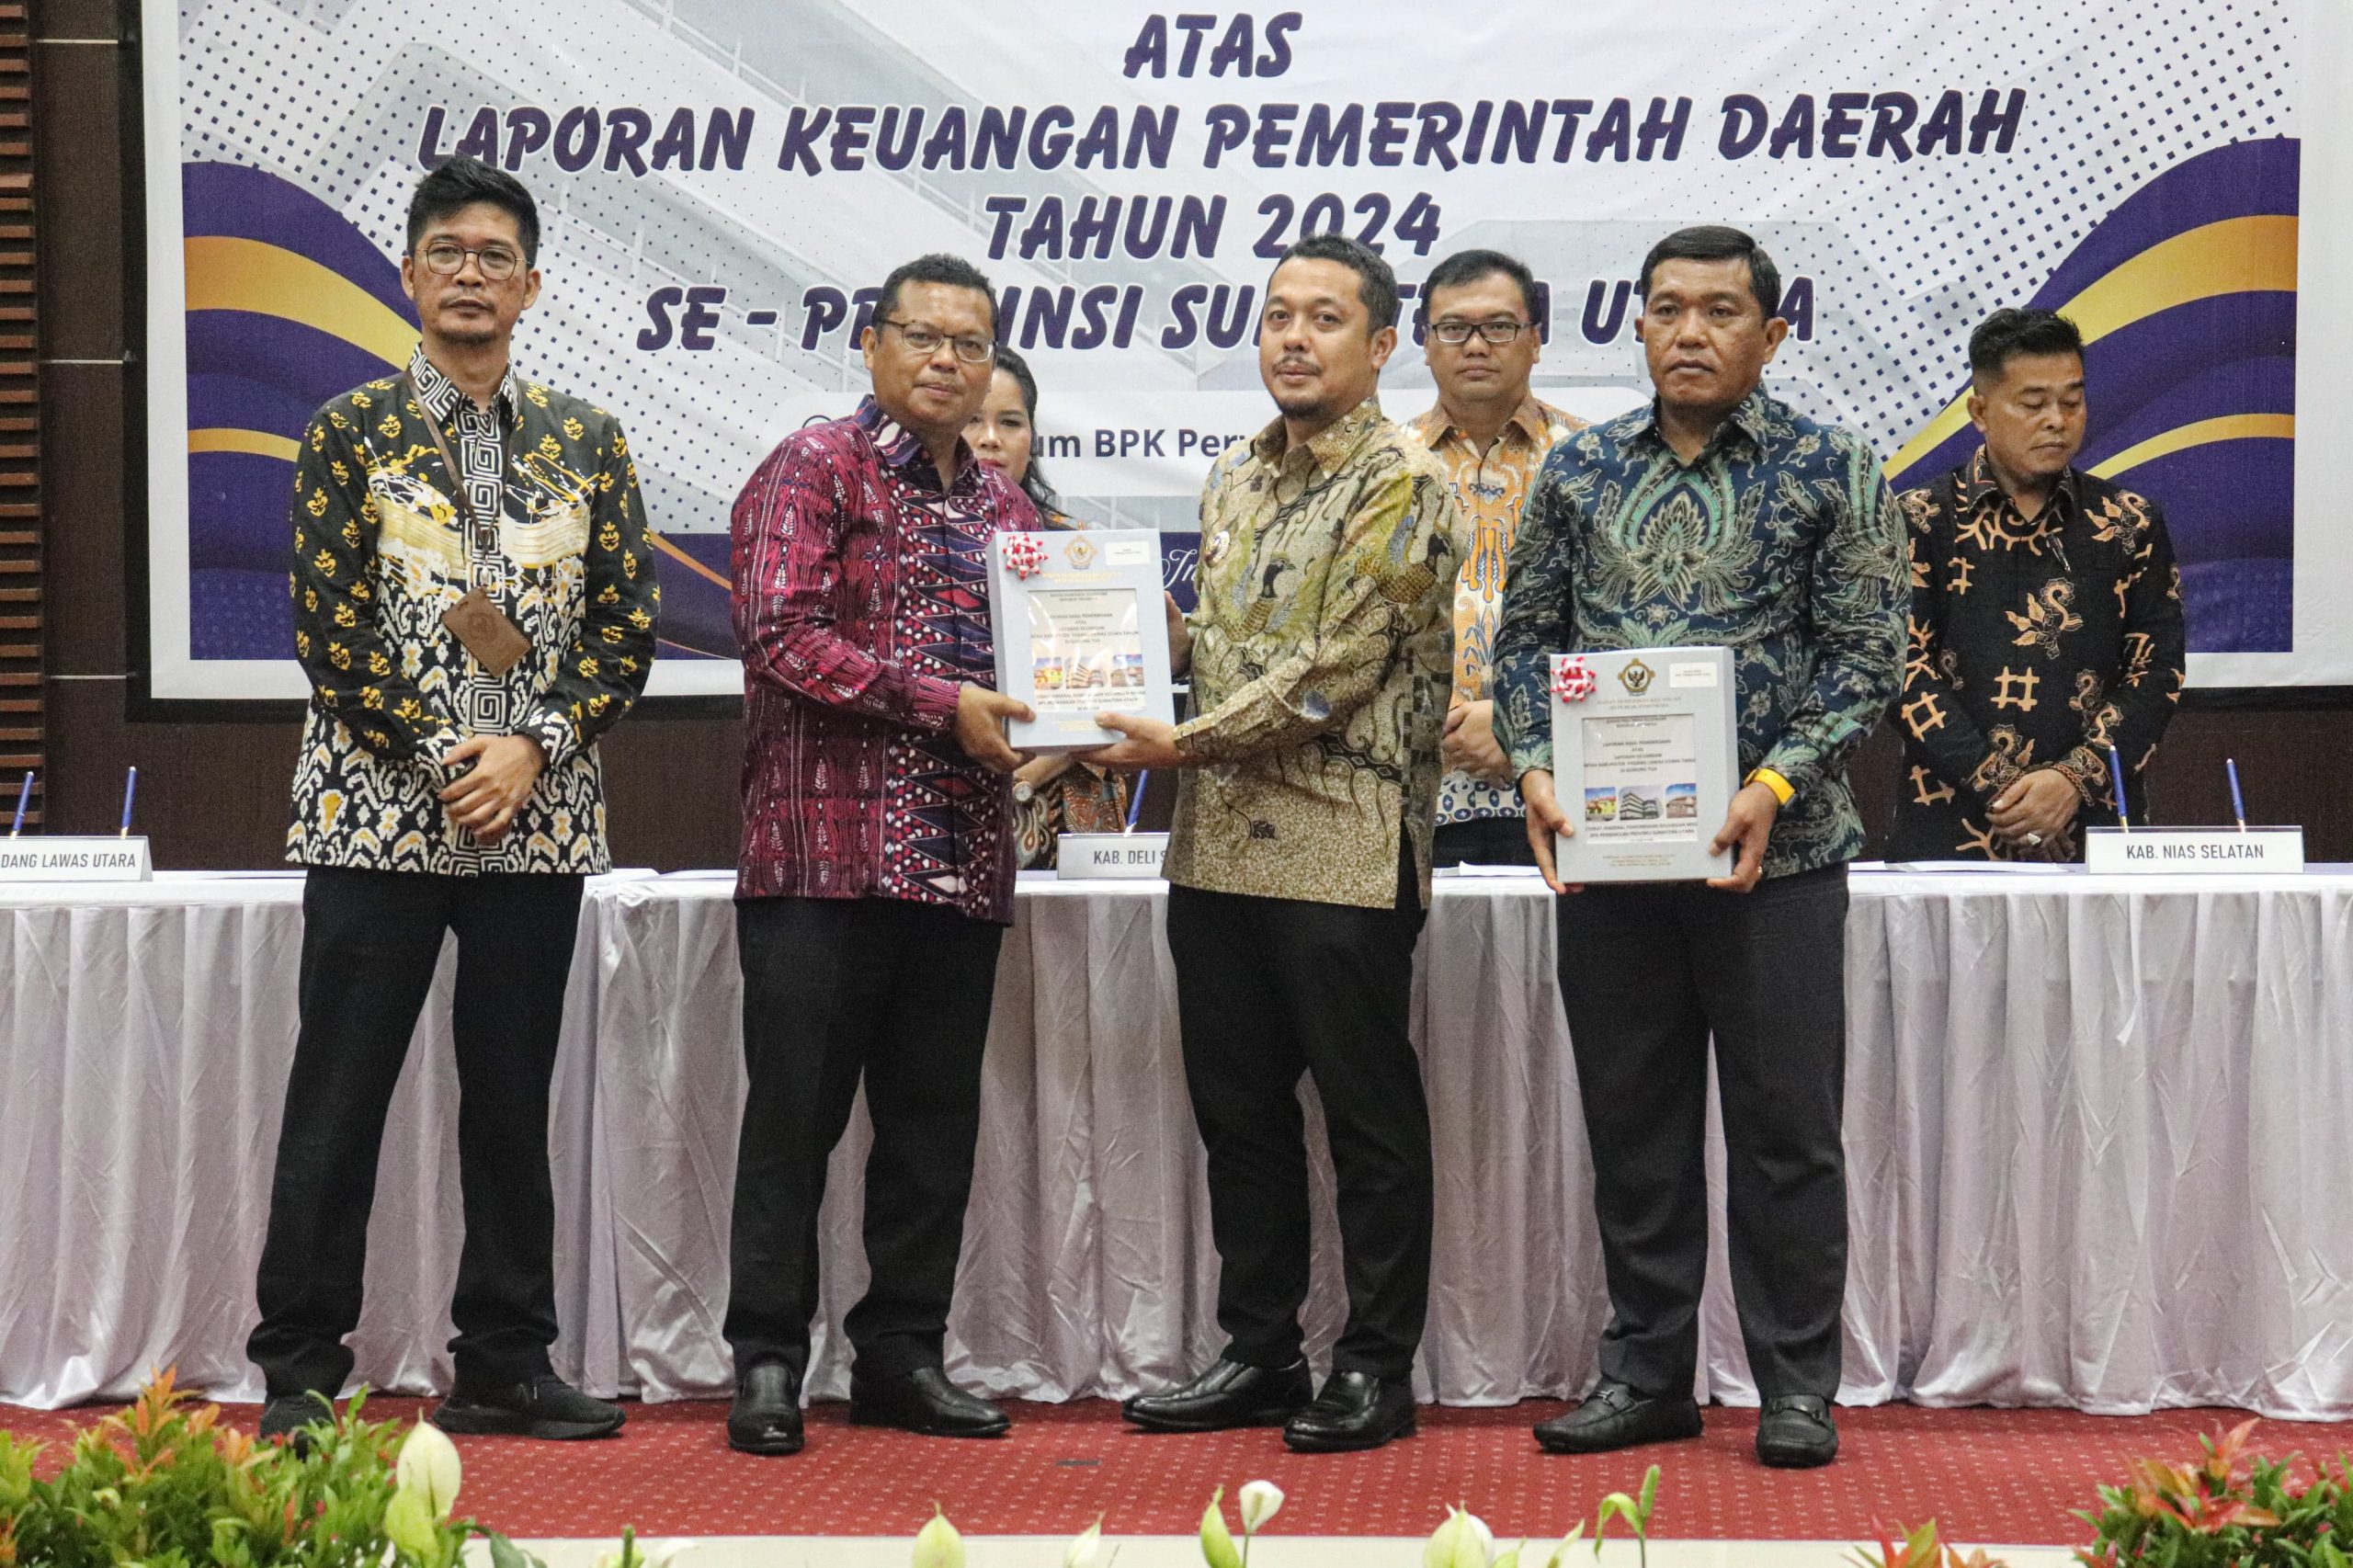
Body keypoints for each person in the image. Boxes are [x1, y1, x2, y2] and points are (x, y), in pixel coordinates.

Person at [252, 155, 658, 1442]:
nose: (470, 275)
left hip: (537, 825)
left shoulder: (588, 441)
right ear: (410, 276)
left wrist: (529, 746)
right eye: (448, 254)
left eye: (495, 257)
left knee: (510, 1099)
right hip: (373, 819)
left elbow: (625, 631)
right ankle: (300, 1369)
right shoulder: (350, 433)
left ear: (529, 287)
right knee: (339, 1097)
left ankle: (504, 1359)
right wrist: (449, 755)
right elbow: (331, 632)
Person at [1494, 225, 1904, 1469]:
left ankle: (1795, 1387)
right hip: (1613, 857)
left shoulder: (1832, 467)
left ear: (1769, 334)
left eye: (1720, 310)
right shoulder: (1579, 470)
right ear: (1638, 325)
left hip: (1776, 857)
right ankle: (1645, 1374)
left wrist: (1775, 778)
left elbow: (1867, 656)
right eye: (1667, 308)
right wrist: (1534, 765)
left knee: (1786, 1134)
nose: (1688, 331)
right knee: (1635, 1126)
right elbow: (1523, 642)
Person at [1085, 233, 1458, 1453]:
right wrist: (1129, 641)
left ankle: (1376, 1367)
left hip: (1344, 847)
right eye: (1277, 315)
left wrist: (1177, 740)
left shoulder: (1405, 481)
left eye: (1325, 318)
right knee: (1238, 1115)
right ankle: (1259, 1351)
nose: (1294, 338)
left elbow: (1334, 672)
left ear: (1382, 343)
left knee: (1366, 1121)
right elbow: (1229, 646)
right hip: (1216, 851)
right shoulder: (1235, 475)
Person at [723, 253, 1037, 1457]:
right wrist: (940, 701)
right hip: (824, 858)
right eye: (924, 336)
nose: (948, 361)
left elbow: (1044, 662)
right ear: (873, 343)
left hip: (958, 859)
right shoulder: (816, 464)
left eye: (971, 343)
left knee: (929, 1128)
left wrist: (1088, 696)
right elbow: (779, 633)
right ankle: (767, 1356)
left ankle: (904, 1353)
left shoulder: (1006, 508)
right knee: (791, 1122)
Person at [1891, 308, 2186, 860]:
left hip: (2095, 822)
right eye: (2033, 404)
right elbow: (1900, 668)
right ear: (1980, 411)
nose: (2056, 420)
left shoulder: (2129, 522)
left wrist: (2072, 780)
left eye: (2071, 402)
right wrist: (2004, 791)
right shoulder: (1918, 519)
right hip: (1951, 825)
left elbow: (2158, 670)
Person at [1405, 249, 1585, 867]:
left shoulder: (1597, 463)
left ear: (1535, 340)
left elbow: (1628, 629)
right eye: (1454, 328)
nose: (1476, 345)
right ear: (1425, 344)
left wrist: (1521, 722)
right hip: (1412, 793)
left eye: (1500, 327)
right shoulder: (1382, 468)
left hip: (1564, 787)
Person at [964, 344, 1131, 866]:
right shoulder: (908, 542)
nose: (991, 438)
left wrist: (1025, 777)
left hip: (1070, 798)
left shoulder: (1077, 547)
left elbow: (1111, 698)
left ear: (1032, 437)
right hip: (943, 797)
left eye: (1010, 422)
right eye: (972, 420)